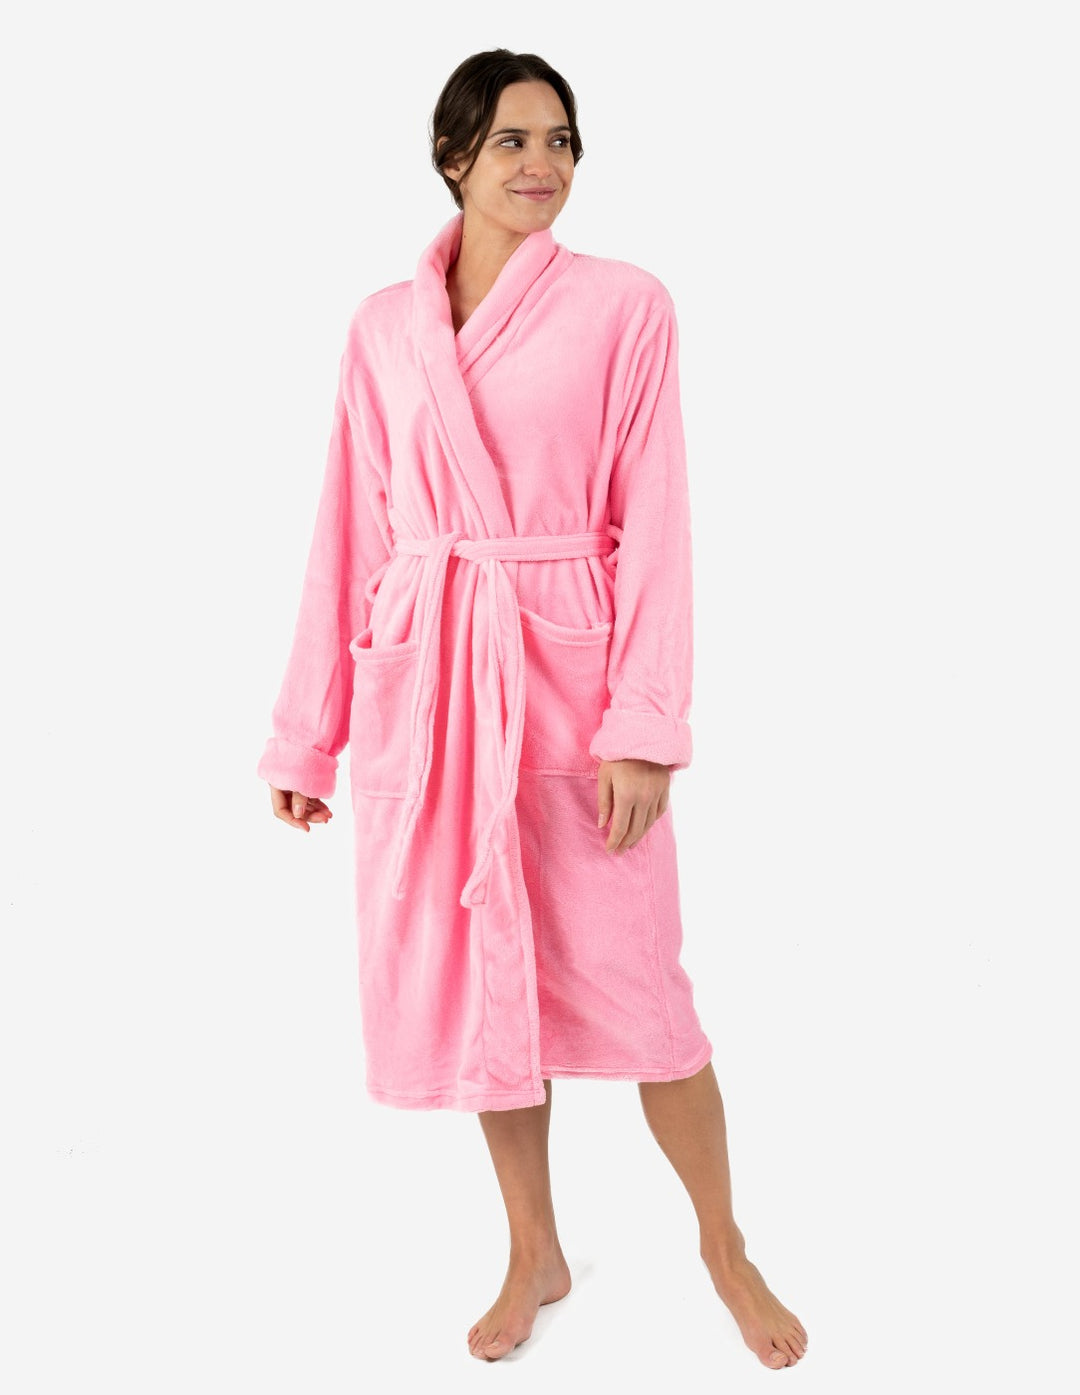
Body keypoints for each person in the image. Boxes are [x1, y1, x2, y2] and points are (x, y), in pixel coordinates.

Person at [256, 48, 807, 1369]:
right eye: (512, 140)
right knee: (485, 994)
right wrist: (309, 729)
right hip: (433, 688)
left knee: (645, 994)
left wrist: (644, 726)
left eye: (560, 140)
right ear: (454, 157)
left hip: (569, 681)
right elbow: (349, 525)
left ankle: (724, 1246)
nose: (541, 163)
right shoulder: (382, 328)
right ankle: (533, 1248)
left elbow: (657, 520)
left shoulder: (625, 306)